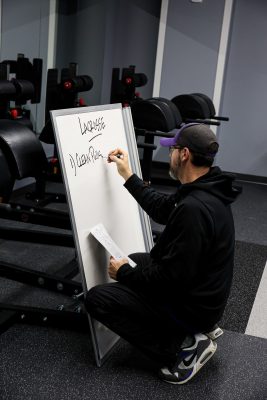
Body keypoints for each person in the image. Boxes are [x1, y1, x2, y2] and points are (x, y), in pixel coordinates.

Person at [85, 122, 241, 384]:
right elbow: (162, 210)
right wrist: (128, 176)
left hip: (194, 306)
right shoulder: (206, 187)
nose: (168, 154)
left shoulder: (194, 209)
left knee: (98, 299)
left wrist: (123, 274)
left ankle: (182, 347)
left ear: (184, 155)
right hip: (205, 292)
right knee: (137, 260)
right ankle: (194, 327)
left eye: (172, 149)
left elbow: (170, 281)